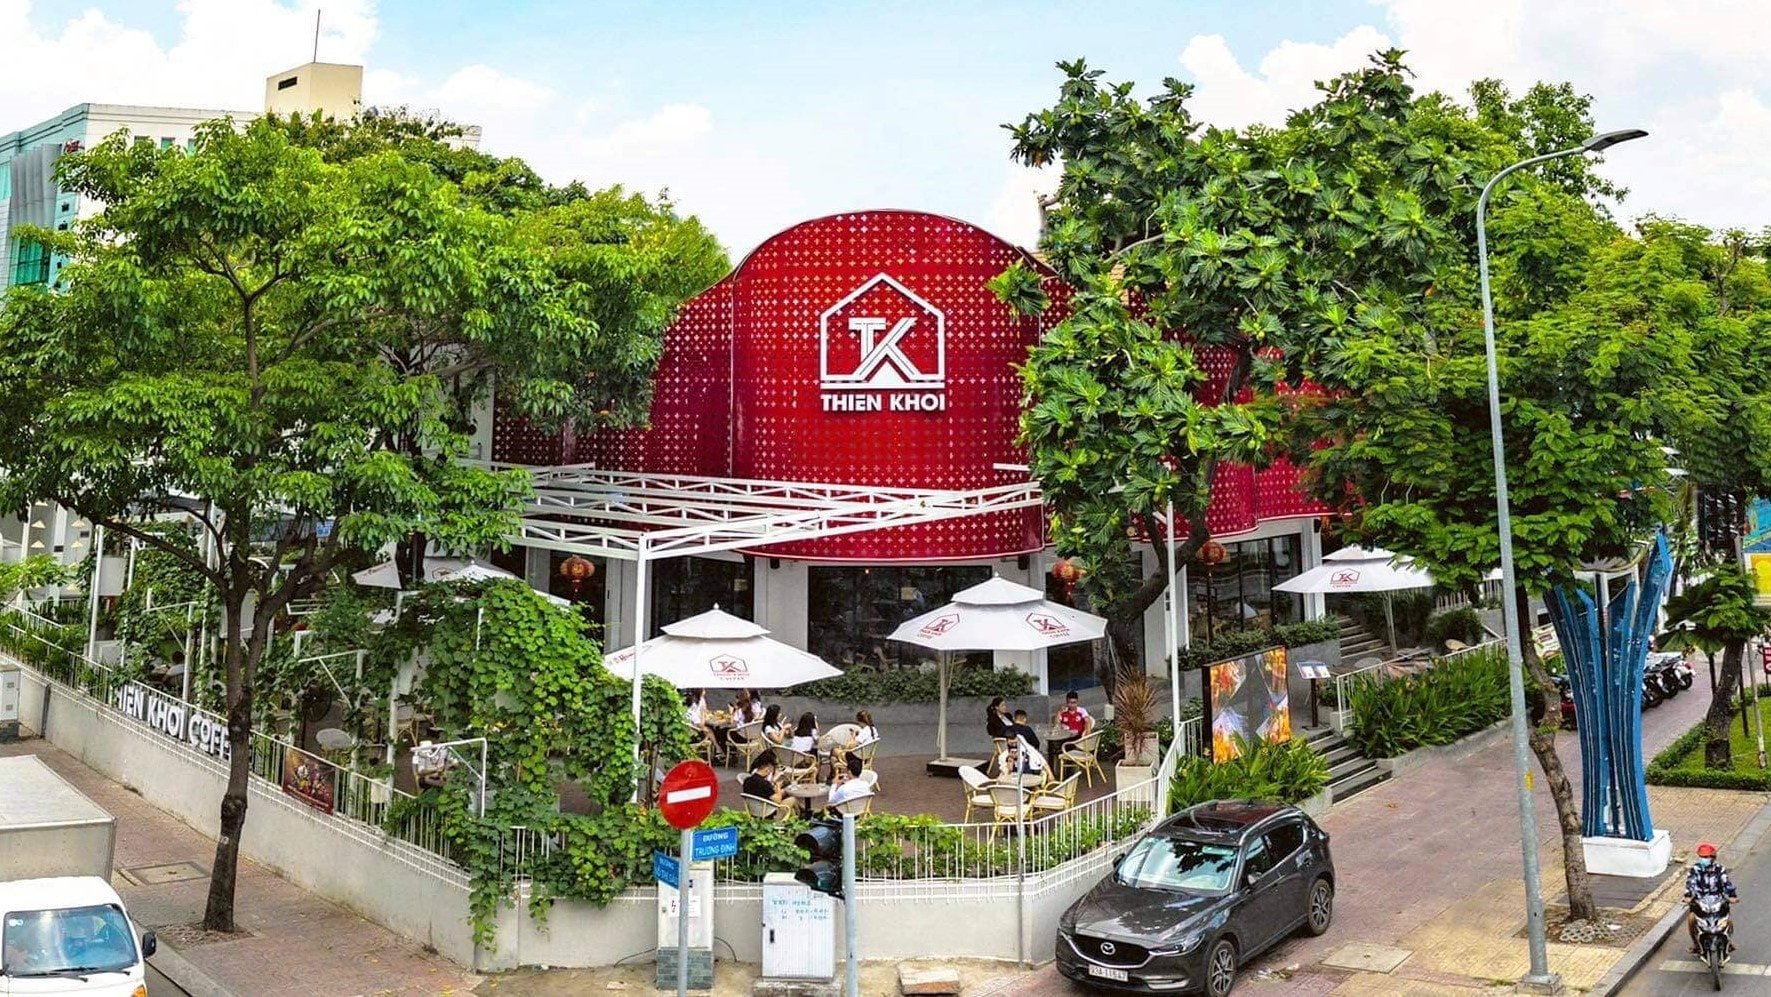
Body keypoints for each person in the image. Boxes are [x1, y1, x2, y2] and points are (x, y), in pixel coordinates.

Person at [1686, 841, 1741, 954]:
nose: (1704, 859)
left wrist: (1732, 896)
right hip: (1700, 902)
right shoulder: (1695, 870)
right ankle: (1696, 944)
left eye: (1706, 857)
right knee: (1691, 919)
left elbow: (1726, 883)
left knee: (1728, 921)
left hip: (1718, 903)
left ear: (1713, 858)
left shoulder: (1720, 870)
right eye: (1702, 857)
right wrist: (1688, 896)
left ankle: (1729, 942)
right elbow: (1690, 883)